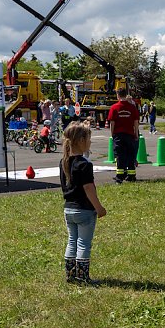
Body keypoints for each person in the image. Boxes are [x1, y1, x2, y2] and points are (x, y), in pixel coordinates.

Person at [59, 122, 106, 284]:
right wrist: (98, 207)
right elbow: (89, 188)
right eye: (89, 139)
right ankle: (83, 277)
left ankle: (71, 275)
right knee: (84, 243)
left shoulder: (64, 162)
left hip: (69, 209)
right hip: (84, 210)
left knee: (72, 240)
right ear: (80, 141)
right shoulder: (85, 164)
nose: (90, 142)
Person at [108, 88, 140, 183]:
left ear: (118, 95)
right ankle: (131, 175)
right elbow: (136, 123)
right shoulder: (132, 108)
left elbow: (112, 123)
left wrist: (112, 134)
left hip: (118, 135)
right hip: (130, 135)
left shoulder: (114, 108)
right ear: (126, 95)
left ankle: (120, 176)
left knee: (119, 156)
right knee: (130, 155)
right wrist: (136, 134)